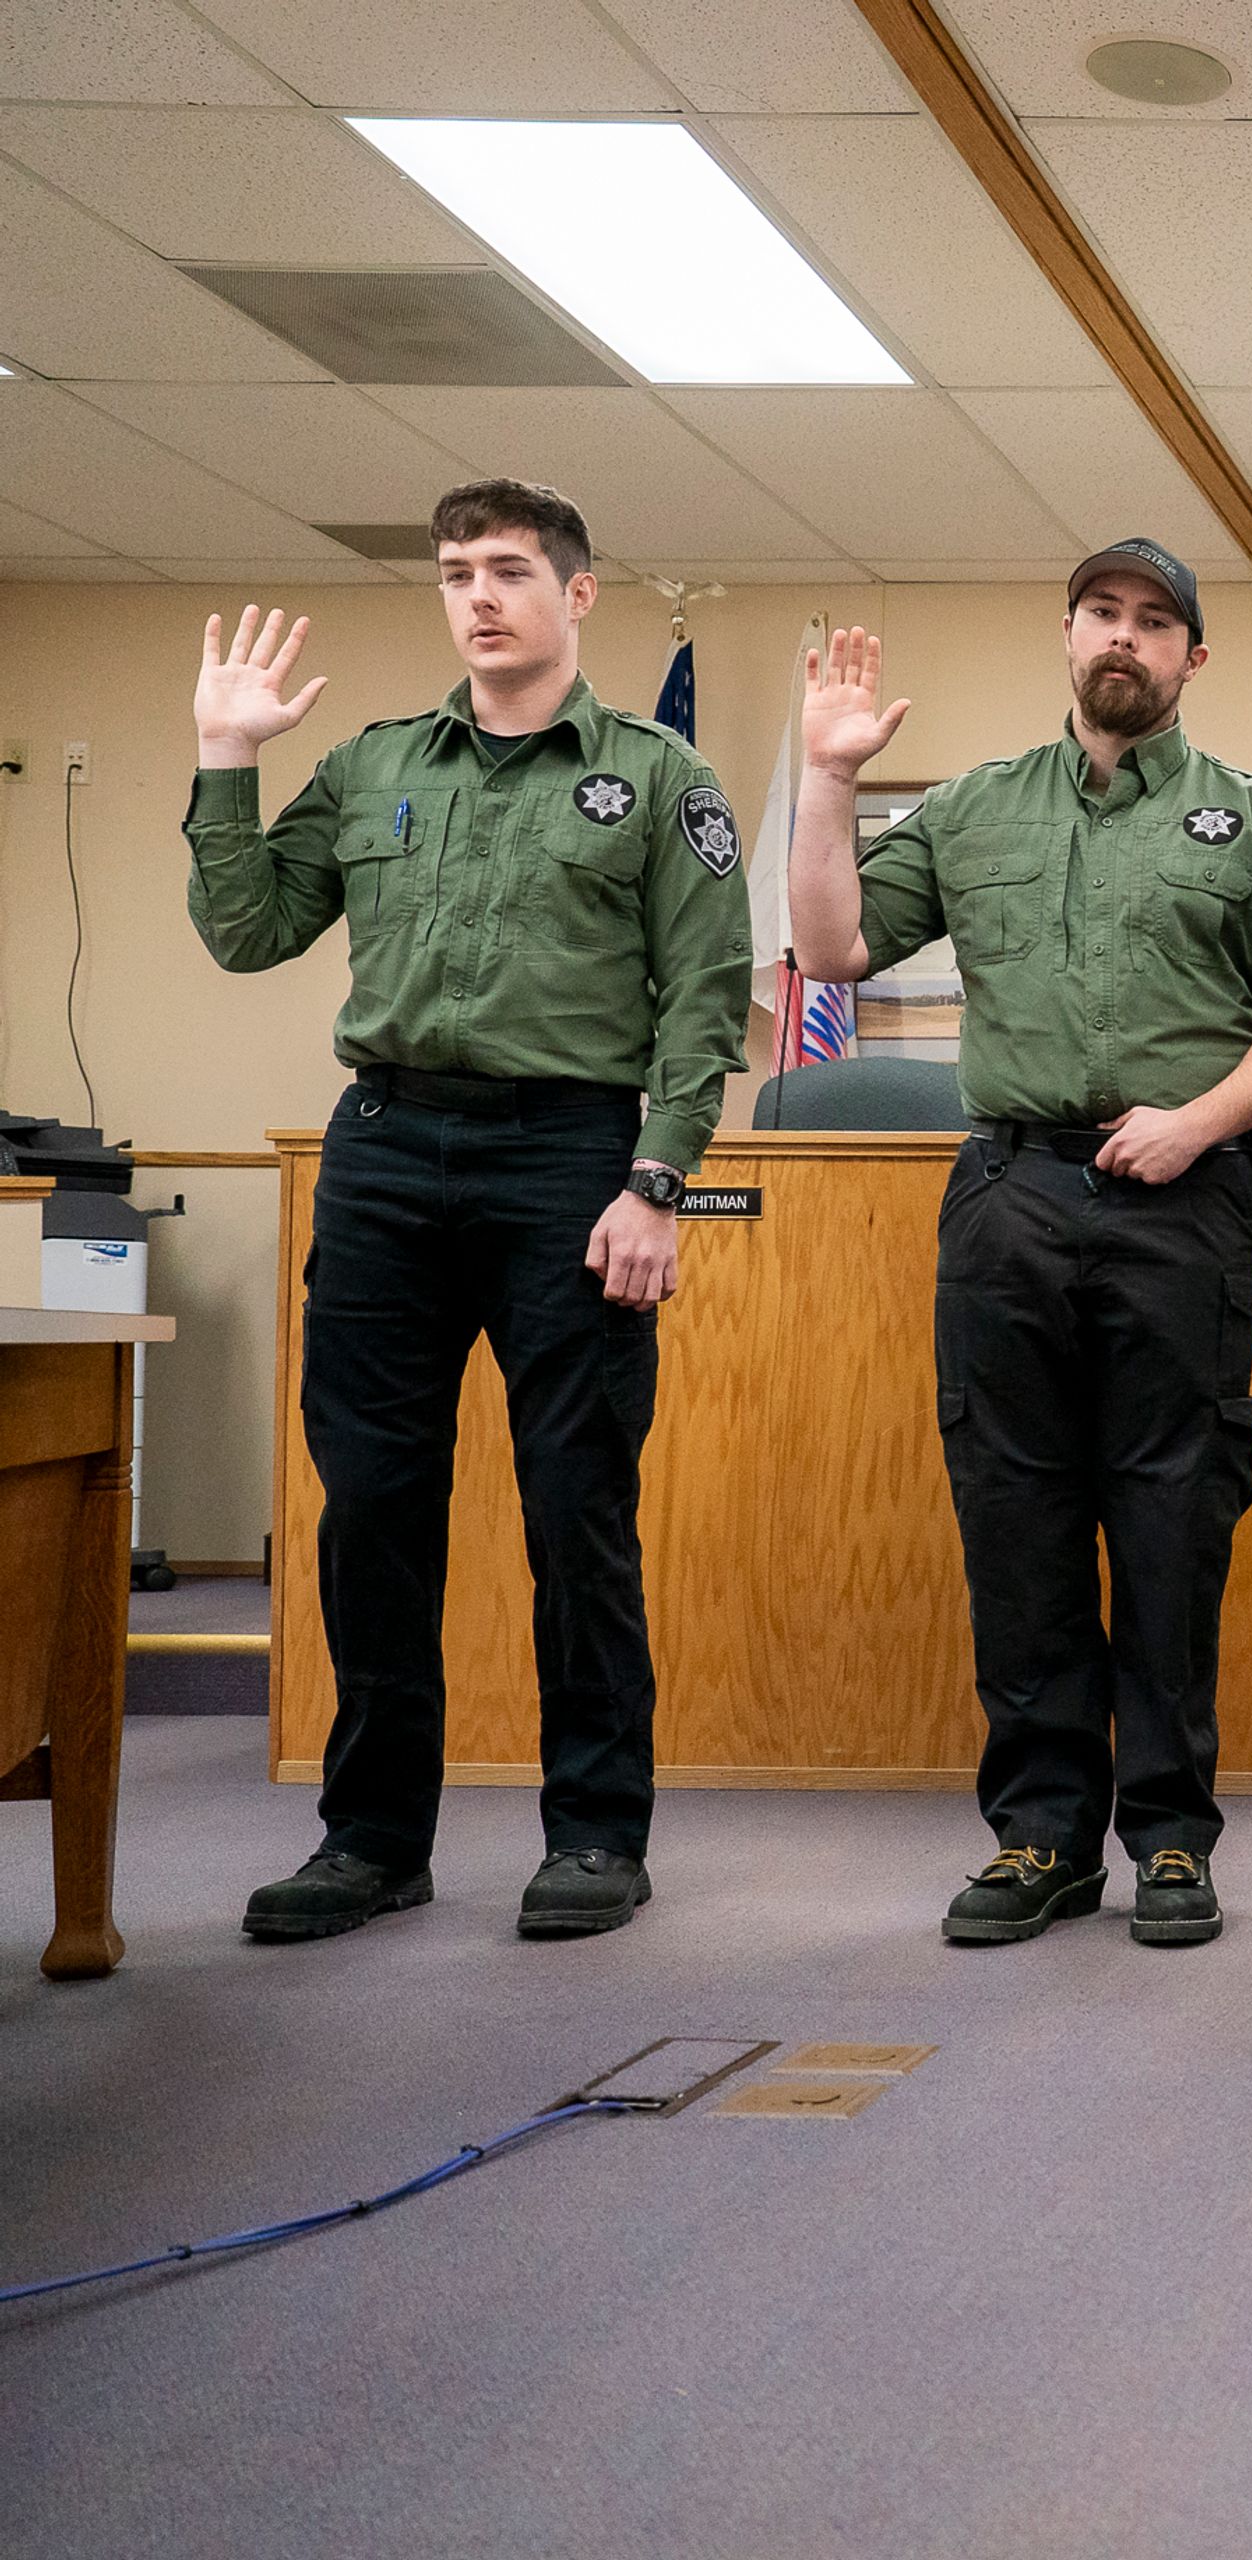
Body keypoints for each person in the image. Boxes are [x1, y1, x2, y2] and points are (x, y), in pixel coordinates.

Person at [188, 476, 748, 1943]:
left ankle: (595, 1835)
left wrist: (657, 1179)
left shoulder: (659, 776)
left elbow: (704, 1004)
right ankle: (371, 1840)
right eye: (454, 573)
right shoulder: (377, 765)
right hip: (383, 1154)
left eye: (507, 569)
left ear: (579, 594)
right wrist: (227, 755)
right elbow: (248, 932)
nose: (478, 596)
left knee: (578, 1509)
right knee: (371, 1508)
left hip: (566, 1160)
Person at [788, 539, 1252, 1950]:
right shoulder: (976, 808)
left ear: (1192, 661)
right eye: (1104, 612)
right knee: (1017, 1519)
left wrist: (1200, 1123)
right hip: (1011, 1198)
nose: (1127, 637)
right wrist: (830, 779)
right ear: (1070, 631)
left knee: (1172, 1520)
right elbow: (837, 950)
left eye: (1159, 623)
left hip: (1185, 1201)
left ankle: (1167, 1841)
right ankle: (1039, 1839)